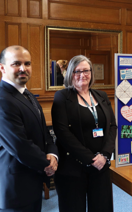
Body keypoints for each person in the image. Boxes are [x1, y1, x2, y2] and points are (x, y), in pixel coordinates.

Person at [51, 55, 117, 212]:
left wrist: (105, 155)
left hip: (101, 166)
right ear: (70, 74)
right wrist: (90, 158)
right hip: (72, 168)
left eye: (86, 70)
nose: (82, 75)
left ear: (91, 72)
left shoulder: (101, 96)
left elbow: (112, 126)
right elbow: (62, 133)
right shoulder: (62, 97)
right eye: (77, 71)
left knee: (102, 207)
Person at [0, 45, 58, 212]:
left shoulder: (27, 95)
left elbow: (44, 132)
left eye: (27, 63)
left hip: (32, 182)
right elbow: (19, 145)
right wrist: (48, 164)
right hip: (14, 188)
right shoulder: (3, 99)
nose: (23, 69)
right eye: (16, 63)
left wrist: (53, 154)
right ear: (2, 68)